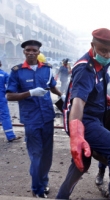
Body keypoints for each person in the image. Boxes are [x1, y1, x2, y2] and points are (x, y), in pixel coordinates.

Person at [56, 28, 110, 200]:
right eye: (104, 50)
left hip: (95, 116)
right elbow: (78, 102)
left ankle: (61, 197)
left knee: (82, 163)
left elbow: (93, 87)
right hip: (83, 120)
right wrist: (76, 135)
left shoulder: (101, 63)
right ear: (92, 46)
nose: (108, 54)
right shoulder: (85, 68)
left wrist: (103, 97)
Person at [6, 40, 63, 198]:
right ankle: (36, 188)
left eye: (34, 50)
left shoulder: (47, 69)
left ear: (39, 52)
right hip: (31, 119)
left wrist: (60, 95)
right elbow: (9, 95)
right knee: (36, 154)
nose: (31, 53)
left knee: (47, 155)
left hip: (47, 117)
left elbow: (51, 85)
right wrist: (29, 93)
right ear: (24, 52)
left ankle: (43, 183)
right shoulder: (17, 71)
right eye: (28, 50)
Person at [0, 60, 22, 142]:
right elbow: (11, 85)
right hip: (1, 99)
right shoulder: (4, 74)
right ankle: (10, 136)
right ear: (1, 64)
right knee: (5, 117)